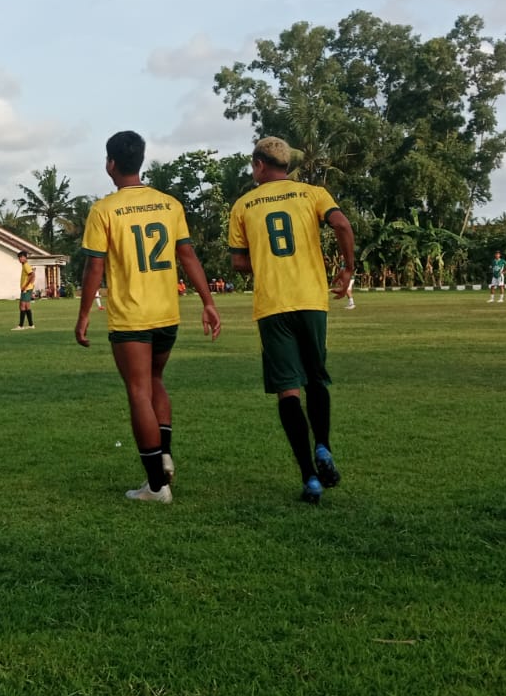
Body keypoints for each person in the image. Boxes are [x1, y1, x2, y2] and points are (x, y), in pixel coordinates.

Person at [76, 130, 220, 504]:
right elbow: (188, 257)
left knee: (138, 391)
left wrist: (84, 313)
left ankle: (156, 486)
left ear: (110, 164)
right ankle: (165, 455)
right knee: (155, 380)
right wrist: (208, 301)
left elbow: (94, 268)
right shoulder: (169, 205)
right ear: (140, 161)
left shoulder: (104, 210)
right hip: (166, 312)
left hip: (132, 317)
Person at [228, 136, 355, 506]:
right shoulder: (312, 194)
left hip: (273, 305)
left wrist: (267, 263)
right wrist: (346, 269)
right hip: (311, 300)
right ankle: (324, 447)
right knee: (316, 378)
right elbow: (342, 225)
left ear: (259, 165)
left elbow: (237, 262)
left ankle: (309, 479)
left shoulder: (243, 205)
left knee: (288, 390)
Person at [14, 250, 36, 330]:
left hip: (26, 289)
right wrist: (31, 284)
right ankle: (31, 325)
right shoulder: (25, 265)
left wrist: (26, 286)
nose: (19, 259)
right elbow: (33, 275)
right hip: (27, 289)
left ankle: (21, 326)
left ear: (24, 257)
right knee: (26, 306)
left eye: (20, 257)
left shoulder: (26, 265)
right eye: (18, 258)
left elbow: (32, 275)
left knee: (22, 306)